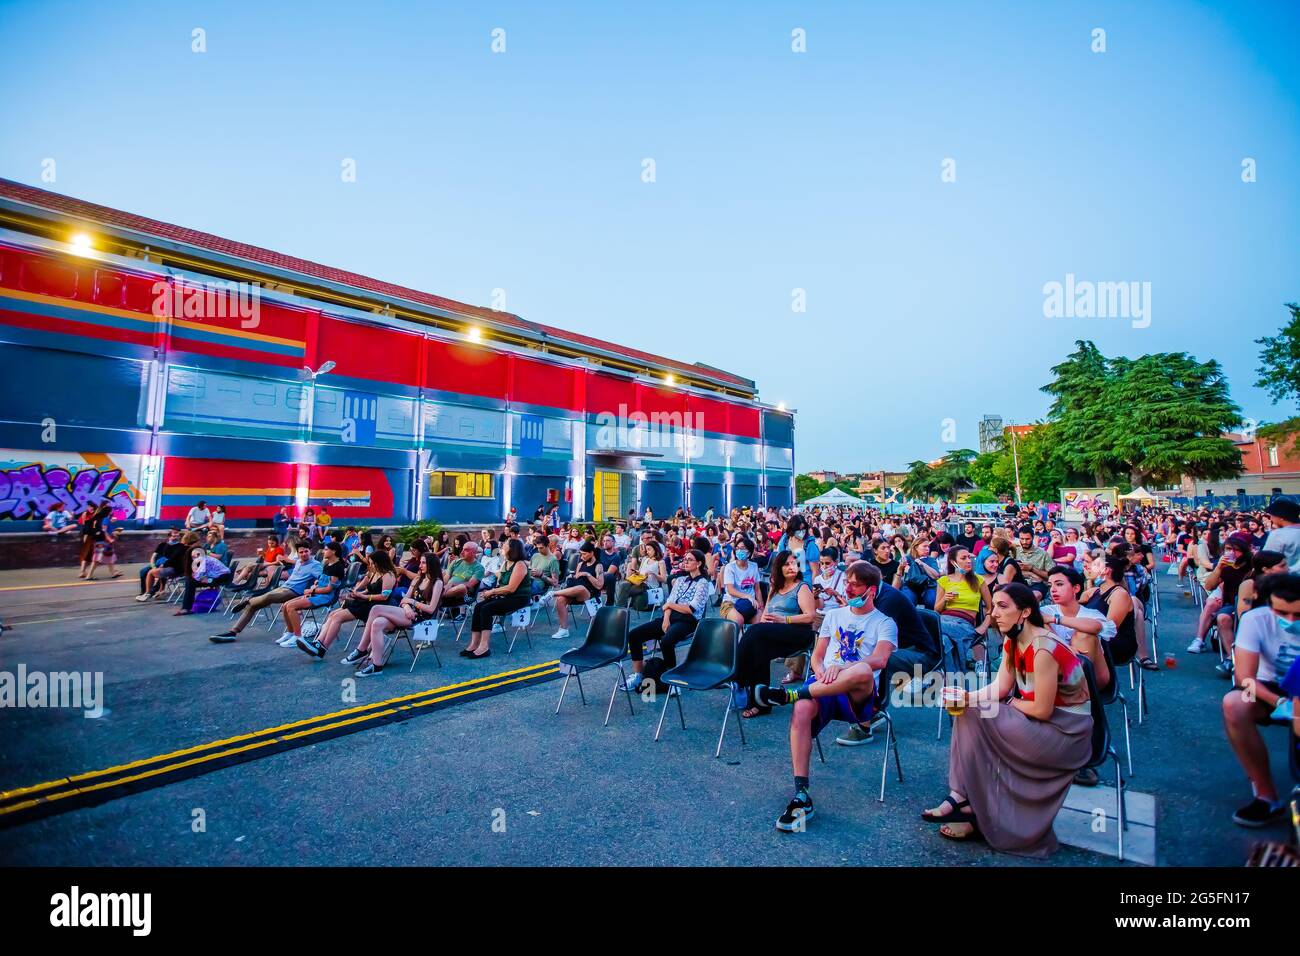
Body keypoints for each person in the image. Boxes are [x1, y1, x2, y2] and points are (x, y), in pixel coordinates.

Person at [921, 583, 1092, 854]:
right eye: (993, 606)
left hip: (1065, 733)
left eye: (1002, 607)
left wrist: (1007, 702)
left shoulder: (1042, 648)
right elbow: (999, 687)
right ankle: (966, 801)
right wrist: (967, 696)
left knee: (978, 712)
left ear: (1024, 612)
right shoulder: (1014, 639)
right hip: (1039, 722)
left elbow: (1041, 710)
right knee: (969, 709)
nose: (994, 613)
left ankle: (964, 800)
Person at [754, 561, 897, 832]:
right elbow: (818, 658)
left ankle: (790, 694)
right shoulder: (834, 616)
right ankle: (801, 795)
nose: (848, 587)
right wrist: (821, 673)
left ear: (872, 590)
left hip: (858, 695)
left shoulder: (884, 622)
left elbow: (879, 659)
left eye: (855, 584)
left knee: (864, 670)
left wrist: (840, 668)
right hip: (823, 685)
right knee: (802, 710)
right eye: (848, 582)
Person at [1221, 573, 1300, 826]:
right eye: (1282, 613)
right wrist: (1279, 702)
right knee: (1234, 704)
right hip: (1266, 686)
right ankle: (1266, 796)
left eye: (1298, 615)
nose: (1290, 620)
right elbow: (1245, 677)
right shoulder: (1256, 619)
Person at [734, 549, 819, 717]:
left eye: (793, 563)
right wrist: (766, 623)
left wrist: (784, 620)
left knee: (756, 632)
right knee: (758, 649)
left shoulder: (802, 587)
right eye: (786, 564)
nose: (791, 567)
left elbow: (811, 616)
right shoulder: (774, 588)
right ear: (778, 567)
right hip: (773, 632)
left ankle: (737, 675)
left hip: (797, 632)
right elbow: (765, 614)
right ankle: (761, 702)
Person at [331, 553, 443, 675]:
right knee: (377, 623)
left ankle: (361, 649)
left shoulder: (437, 582)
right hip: (407, 613)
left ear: (432, 564)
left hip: (420, 618)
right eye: (420, 562)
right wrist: (406, 607)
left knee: (376, 609)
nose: (420, 565)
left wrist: (411, 602)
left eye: (423, 563)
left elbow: (431, 609)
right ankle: (377, 665)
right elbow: (404, 599)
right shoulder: (417, 579)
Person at [623, 549, 711, 689]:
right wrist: (666, 618)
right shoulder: (681, 580)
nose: (685, 562)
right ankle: (638, 676)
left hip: (689, 621)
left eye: (690, 559)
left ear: (699, 563)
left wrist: (670, 605)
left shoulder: (703, 583)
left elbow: (691, 608)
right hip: (670, 617)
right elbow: (669, 601)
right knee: (634, 635)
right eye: (685, 559)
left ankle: (672, 680)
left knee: (666, 642)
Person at [210, 544, 325, 643]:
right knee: (253, 605)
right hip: (284, 587)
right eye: (301, 552)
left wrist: (314, 587)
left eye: (306, 551)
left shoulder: (315, 565)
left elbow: (321, 578)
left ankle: (247, 601)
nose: (304, 554)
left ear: (310, 551)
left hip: (294, 592)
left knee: (268, 596)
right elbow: (288, 562)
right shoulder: (299, 562)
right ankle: (232, 632)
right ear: (298, 553)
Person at [305, 551, 399, 657]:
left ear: (380, 562)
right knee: (333, 614)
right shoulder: (375, 573)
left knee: (337, 617)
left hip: (375, 606)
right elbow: (368, 590)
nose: (371, 565)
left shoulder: (389, 575)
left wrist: (363, 596)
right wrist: (357, 593)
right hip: (366, 601)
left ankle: (322, 648)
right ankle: (318, 643)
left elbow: (384, 596)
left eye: (373, 563)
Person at [463, 539, 532, 659]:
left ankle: (484, 646)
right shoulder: (506, 563)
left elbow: (511, 588)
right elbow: (500, 581)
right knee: (479, 606)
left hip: (519, 598)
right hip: (506, 596)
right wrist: (491, 592)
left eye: (504, 545)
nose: (501, 547)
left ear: (512, 549)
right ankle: (474, 643)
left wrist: (492, 591)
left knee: (487, 609)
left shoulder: (520, 564)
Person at [933, 546, 993, 671]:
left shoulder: (978, 580)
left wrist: (984, 626)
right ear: (953, 562)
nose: (968, 560)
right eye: (963, 558)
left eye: (969, 557)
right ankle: (952, 678)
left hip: (964, 624)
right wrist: (944, 599)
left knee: (930, 626)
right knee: (944, 642)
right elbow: (936, 610)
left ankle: (929, 673)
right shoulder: (944, 580)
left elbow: (991, 607)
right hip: (945, 619)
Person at [277, 542, 348, 647]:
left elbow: (329, 589)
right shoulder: (328, 563)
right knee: (285, 605)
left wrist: (312, 591)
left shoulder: (338, 567)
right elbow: (321, 580)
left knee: (291, 606)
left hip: (325, 597)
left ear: (333, 551)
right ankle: (290, 633)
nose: (324, 551)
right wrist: (314, 585)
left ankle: (298, 637)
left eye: (326, 549)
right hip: (317, 593)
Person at [549, 542, 606, 640]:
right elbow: (577, 578)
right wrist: (573, 576)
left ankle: (552, 593)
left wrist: (587, 575)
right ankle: (563, 630)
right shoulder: (580, 564)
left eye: (584, 554)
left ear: (591, 553)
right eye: (581, 554)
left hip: (590, 593)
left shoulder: (598, 566)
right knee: (560, 599)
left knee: (581, 588)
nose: (582, 556)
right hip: (576, 592)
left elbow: (599, 585)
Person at [720, 537, 763, 627]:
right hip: (731, 603)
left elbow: (757, 589)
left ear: (749, 552)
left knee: (760, 622)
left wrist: (761, 606)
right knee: (738, 620)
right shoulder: (730, 567)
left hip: (750, 605)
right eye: (737, 548)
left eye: (743, 548)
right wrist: (747, 596)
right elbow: (731, 590)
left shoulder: (754, 566)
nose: (739, 550)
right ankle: (735, 641)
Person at [137, 528, 185, 600]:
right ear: (169, 536)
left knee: (157, 572)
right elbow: (154, 556)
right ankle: (144, 591)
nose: (176, 535)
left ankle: (153, 591)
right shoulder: (162, 545)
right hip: (157, 564)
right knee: (143, 571)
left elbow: (174, 560)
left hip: (168, 566)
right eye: (174, 533)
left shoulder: (181, 546)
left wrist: (162, 565)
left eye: (178, 534)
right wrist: (153, 566)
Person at [441, 542, 485, 610]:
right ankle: (438, 594)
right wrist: (441, 585)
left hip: (465, 595)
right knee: (438, 578)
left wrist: (452, 584)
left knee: (462, 587)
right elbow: (446, 578)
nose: (462, 552)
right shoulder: (456, 562)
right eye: (462, 549)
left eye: (466, 550)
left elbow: (469, 585)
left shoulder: (479, 568)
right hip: (448, 591)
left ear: (474, 553)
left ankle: (437, 595)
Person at [1013, 525, 1052, 599]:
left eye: (1027, 539)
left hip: (1037, 584)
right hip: (1017, 582)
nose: (1024, 542)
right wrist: (1029, 574)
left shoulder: (1043, 554)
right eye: (1022, 539)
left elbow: (1051, 575)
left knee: (1034, 596)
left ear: (1033, 538)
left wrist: (1032, 569)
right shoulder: (1014, 552)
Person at [1262, 499, 1300, 572]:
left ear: (1281, 517)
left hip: (1287, 578)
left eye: (1272, 515)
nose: (1271, 519)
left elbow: (1266, 558)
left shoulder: (1279, 534)